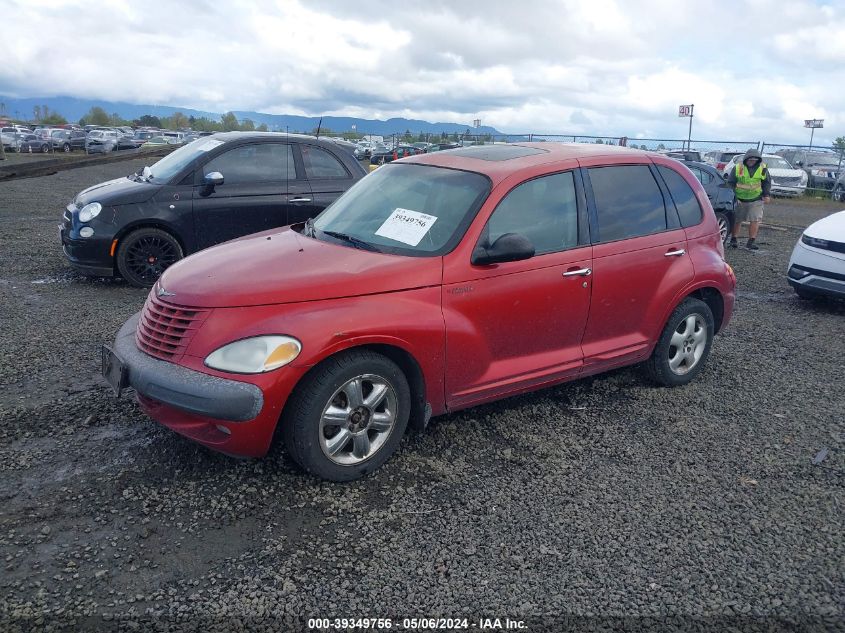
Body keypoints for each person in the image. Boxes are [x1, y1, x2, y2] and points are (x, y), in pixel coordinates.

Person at [727, 148, 771, 250]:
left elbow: (766, 183)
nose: (751, 162)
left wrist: (767, 195)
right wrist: (733, 197)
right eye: (750, 160)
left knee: (755, 220)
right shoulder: (738, 168)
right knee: (737, 219)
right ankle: (733, 239)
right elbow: (731, 183)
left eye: (754, 160)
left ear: (758, 160)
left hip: (756, 198)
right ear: (746, 159)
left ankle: (751, 241)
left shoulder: (763, 168)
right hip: (739, 199)